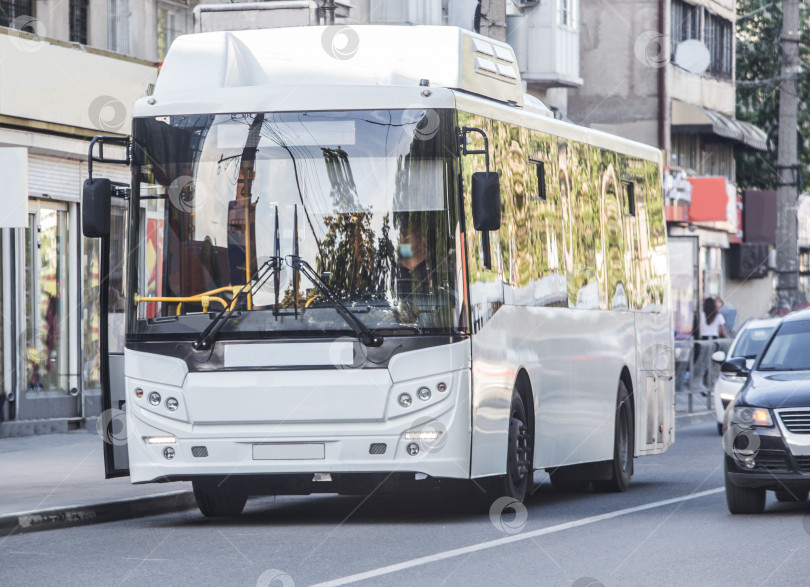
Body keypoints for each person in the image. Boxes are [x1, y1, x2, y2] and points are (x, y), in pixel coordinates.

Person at [395, 223, 431, 299]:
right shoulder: (393, 270)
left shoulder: (435, 265)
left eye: (408, 237)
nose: (404, 242)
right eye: (404, 239)